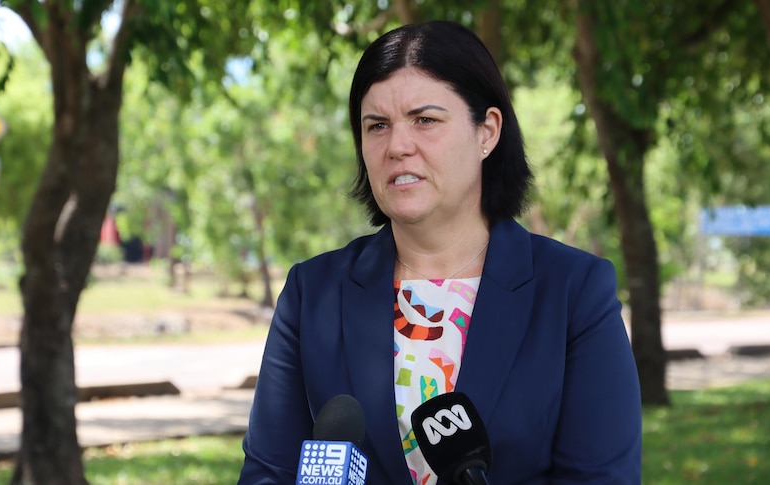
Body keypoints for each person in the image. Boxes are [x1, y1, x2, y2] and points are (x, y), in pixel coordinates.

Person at [238, 20, 641, 484]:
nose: (398, 146)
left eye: (425, 120)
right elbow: (268, 473)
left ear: (486, 131)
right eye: (377, 126)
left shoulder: (573, 292)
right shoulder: (313, 293)